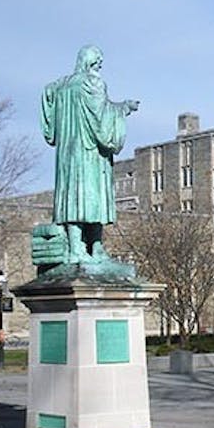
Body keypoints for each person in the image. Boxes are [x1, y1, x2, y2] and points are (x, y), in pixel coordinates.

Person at [41, 45, 139, 264]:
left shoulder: (61, 86)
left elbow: (47, 99)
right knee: (91, 197)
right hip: (89, 152)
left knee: (74, 197)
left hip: (67, 154)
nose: (100, 66)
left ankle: (89, 247)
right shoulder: (93, 83)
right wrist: (123, 109)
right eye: (99, 62)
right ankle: (84, 248)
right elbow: (101, 117)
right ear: (91, 62)